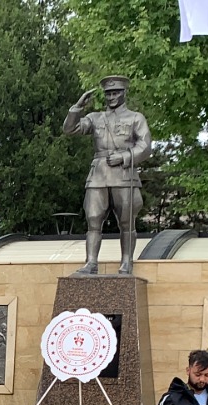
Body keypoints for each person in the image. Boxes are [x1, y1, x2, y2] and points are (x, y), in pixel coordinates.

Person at [64, 75, 151, 276]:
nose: (111, 97)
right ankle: (91, 262)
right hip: (98, 175)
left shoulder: (135, 118)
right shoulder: (95, 118)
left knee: (126, 222)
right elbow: (70, 129)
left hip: (124, 175)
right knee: (93, 220)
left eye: (115, 92)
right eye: (108, 93)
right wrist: (77, 108)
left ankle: (127, 262)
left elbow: (145, 147)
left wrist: (123, 157)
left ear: (123, 93)